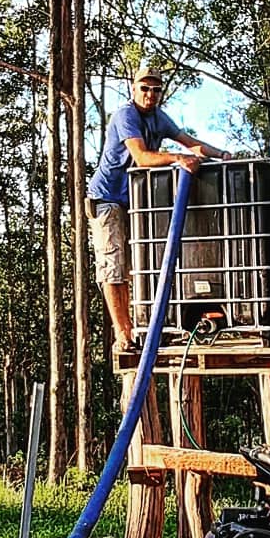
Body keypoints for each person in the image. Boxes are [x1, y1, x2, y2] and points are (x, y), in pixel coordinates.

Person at [87, 63, 231, 349]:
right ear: (134, 89)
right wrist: (178, 158)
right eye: (144, 89)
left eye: (155, 90)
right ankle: (123, 334)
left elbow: (190, 143)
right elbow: (142, 157)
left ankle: (148, 326)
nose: (149, 94)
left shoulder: (158, 117)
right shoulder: (126, 115)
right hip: (108, 198)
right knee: (114, 266)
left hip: (137, 202)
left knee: (142, 266)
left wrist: (221, 154)